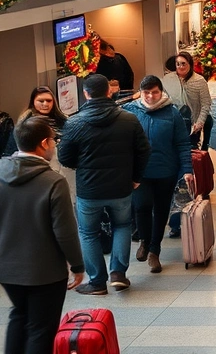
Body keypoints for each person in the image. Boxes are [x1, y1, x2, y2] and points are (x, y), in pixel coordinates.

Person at [58, 73, 150, 295]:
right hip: (121, 187)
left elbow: (65, 158)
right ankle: (118, 273)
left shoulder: (75, 122)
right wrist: (136, 177)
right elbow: (144, 150)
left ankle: (97, 282)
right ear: (109, 91)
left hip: (89, 190)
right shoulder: (128, 119)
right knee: (122, 226)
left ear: (86, 93)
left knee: (88, 233)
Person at [0, 116, 84, 354]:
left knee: (19, 314)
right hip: (44, 271)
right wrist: (77, 265)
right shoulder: (52, 181)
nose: (55, 145)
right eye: (54, 140)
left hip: (6, 266)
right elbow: (64, 231)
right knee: (40, 328)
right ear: (44, 143)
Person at [121, 76, 192, 274]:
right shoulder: (130, 112)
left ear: (161, 92)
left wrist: (187, 169)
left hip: (165, 170)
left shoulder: (172, 113)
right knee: (142, 206)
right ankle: (144, 240)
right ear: (140, 93)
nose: (151, 96)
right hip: (140, 171)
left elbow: (182, 143)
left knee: (161, 211)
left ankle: (155, 250)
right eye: (146, 93)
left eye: (155, 92)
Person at [2, 86, 68, 161]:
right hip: (31, 162)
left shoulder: (62, 120)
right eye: (41, 101)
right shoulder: (25, 124)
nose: (45, 104)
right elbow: (12, 150)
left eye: (49, 101)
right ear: (33, 101)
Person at [162, 51, 212, 149]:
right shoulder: (168, 79)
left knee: (190, 153)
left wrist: (200, 122)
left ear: (190, 64)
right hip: (173, 124)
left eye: (183, 64)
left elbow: (206, 104)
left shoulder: (199, 81)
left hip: (193, 126)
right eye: (178, 64)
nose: (180, 66)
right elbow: (164, 99)